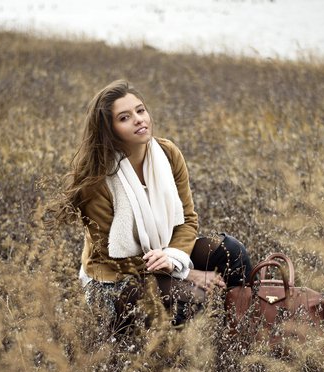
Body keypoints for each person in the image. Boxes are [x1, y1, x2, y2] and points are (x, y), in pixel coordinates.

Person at [54, 79, 252, 336]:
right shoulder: (96, 180)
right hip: (116, 278)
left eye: (140, 110)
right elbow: (113, 257)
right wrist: (185, 273)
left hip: (165, 255)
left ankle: (243, 331)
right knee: (189, 300)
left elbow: (187, 220)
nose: (138, 119)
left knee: (231, 251)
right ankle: (139, 340)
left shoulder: (167, 154)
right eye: (124, 117)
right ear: (109, 129)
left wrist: (174, 260)